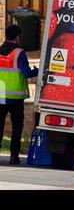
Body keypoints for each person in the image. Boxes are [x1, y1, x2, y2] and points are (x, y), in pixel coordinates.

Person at [0, 25, 38, 165]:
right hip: (15, 98)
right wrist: (38, 71)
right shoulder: (19, 53)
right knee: (17, 128)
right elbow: (27, 73)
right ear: (17, 37)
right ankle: (13, 157)